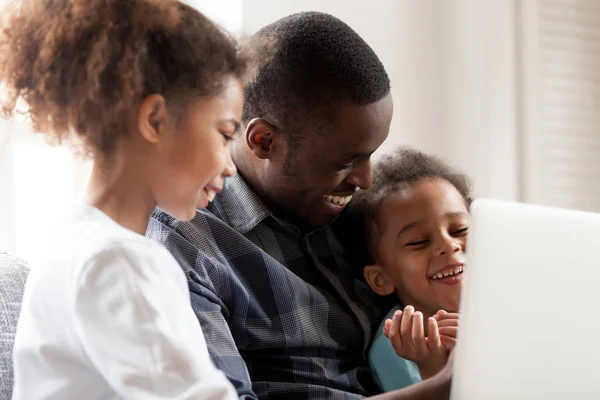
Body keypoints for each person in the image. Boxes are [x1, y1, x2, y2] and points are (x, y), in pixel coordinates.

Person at [148, 12, 452, 399]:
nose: (365, 180)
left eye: (370, 155)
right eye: (344, 162)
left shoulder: (359, 219)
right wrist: (442, 390)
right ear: (263, 141)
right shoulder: (186, 247)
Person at [0, 0, 260, 398]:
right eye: (224, 135)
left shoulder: (74, 243)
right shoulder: (116, 259)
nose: (230, 166)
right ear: (155, 119)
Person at [351, 148, 470, 392]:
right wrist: (433, 370)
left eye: (459, 230)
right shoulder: (398, 346)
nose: (449, 245)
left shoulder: (503, 309)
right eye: (418, 242)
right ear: (381, 279)